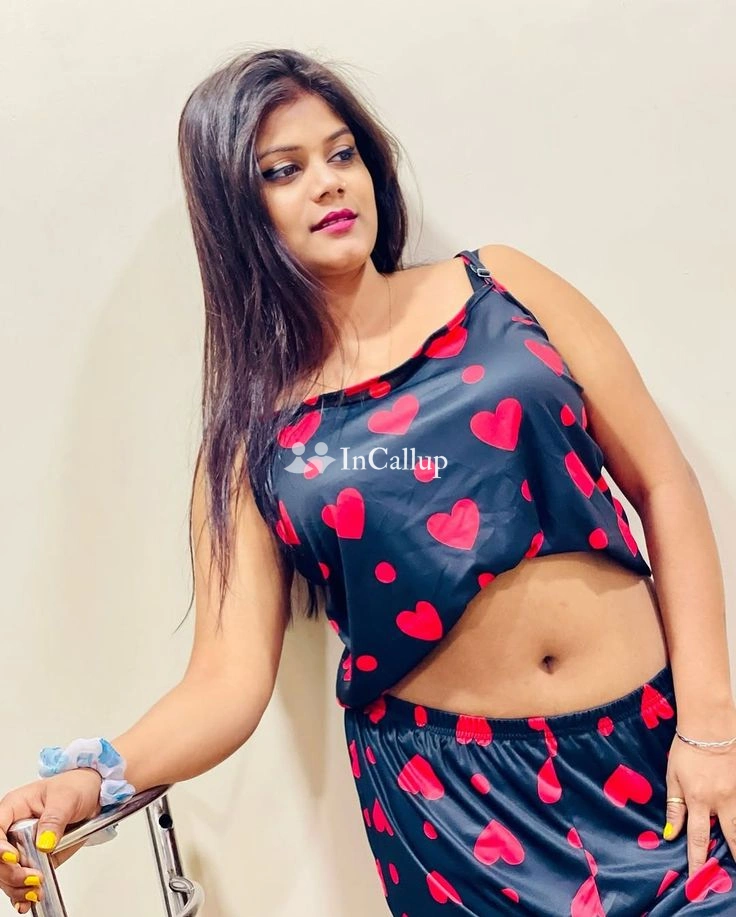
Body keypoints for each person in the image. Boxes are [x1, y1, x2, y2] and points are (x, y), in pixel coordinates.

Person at [2, 46, 735, 916]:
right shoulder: (250, 441)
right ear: (236, 210)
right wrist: (96, 774)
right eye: (284, 169)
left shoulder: (504, 285)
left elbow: (663, 484)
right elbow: (226, 680)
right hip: (461, 813)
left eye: (342, 152)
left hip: (657, 754)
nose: (329, 182)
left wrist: (711, 728)